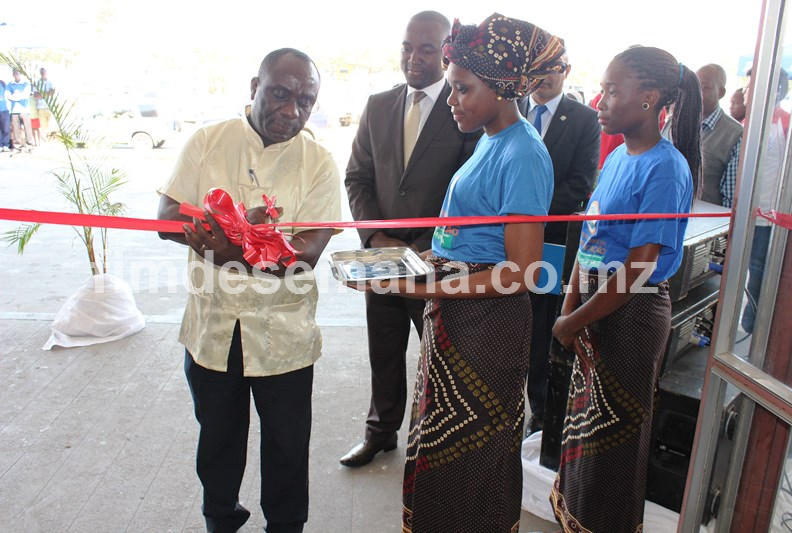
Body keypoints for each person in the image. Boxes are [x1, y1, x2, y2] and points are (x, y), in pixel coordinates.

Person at [346, 12, 562, 531]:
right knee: (444, 450)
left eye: (463, 89)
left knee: (472, 458)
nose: (452, 100)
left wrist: (407, 283)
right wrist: (406, 270)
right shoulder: (492, 137)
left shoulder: (524, 154)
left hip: (486, 330)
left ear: (503, 86)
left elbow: (521, 273)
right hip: (458, 318)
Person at [156, 48, 341, 533]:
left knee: (286, 443)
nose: (291, 111)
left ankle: (285, 526)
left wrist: (227, 246)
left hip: (284, 333)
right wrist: (246, 236)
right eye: (281, 94)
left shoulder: (319, 162)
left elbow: (306, 253)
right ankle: (221, 519)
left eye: (305, 101)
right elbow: (167, 220)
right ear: (254, 86)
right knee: (218, 439)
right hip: (213, 328)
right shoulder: (207, 141)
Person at [551, 46, 701, 532]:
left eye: (613, 91)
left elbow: (639, 267)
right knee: (583, 439)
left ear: (649, 98)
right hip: (595, 309)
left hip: (629, 316)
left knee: (612, 450)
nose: (600, 100)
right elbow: (591, 239)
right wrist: (570, 305)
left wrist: (574, 320)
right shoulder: (617, 156)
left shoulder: (666, 167)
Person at [341, 10, 480, 468]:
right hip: (380, 257)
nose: (413, 57)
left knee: (438, 357)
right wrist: (377, 237)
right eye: (406, 47)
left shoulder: (465, 109)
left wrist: (425, 245)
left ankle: (436, 441)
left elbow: (467, 190)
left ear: (445, 52)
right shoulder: (379, 104)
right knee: (383, 351)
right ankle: (380, 433)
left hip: (433, 260)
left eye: (425, 48)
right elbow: (357, 177)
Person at [517, 51, 601, 436]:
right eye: (537, 68)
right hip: (504, 240)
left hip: (550, 242)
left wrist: (525, 210)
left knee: (540, 324)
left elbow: (581, 183)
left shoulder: (584, 119)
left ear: (566, 71)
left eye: (553, 68)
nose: (543, 77)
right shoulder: (510, 107)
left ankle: (539, 408)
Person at [740, 67, 790, 335]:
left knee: (757, 271)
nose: (747, 92)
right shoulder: (748, 123)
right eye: (747, 87)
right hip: (741, 213)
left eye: (752, 86)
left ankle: (753, 326)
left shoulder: (785, 123)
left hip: (766, 217)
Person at [663, 63, 742, 207]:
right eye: (695, 85)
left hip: (704, 223)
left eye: (705, 87)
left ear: (721, 92)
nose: (697, 91)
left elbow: (730, 200)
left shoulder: (735, 135)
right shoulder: (673, 123)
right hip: (665, 214)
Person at [6, 69, 34, 153]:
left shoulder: (26, 84)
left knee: (27, 129)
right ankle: (17, 147)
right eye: (14, 73)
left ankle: (29, 146)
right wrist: (15, 96)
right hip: (14, 110)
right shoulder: (10, 84)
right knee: (16, 129)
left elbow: (25, 95)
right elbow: (7, 95)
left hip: (24, 110)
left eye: (17, 73)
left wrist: (15, 96)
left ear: (20, 74)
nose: (16, 74)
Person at [35, 67, 54, 138]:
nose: (42, 73)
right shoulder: (37, 83)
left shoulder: (50, 82)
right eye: (41, 72)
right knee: (44, 127)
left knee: (51, 127)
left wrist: (41, 94)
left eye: (44, 72)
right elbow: (36, 95)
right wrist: (47, 93)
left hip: (50, 107)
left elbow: (52, 93)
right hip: (41, 107)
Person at [0, 80, 10, 152]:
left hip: (4, 109)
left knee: (5, 128)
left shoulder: (3, 83)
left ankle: (5, 145)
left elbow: (8, 95)